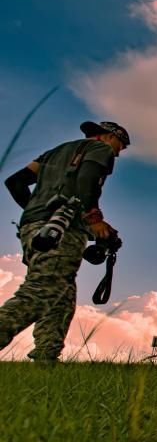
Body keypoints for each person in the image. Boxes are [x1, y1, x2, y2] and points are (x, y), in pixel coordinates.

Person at [0, 120, 130, 362]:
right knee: (43, 290)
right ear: (110, 137)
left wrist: (39, 212)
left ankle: (46, 359)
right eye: (119, 147)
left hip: (35, 228)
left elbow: (15, 182)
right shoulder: (100, 149)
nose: (117, 154)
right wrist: (94, 218)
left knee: (61, 296)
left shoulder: (54, 152)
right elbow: (87, 181)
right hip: (62, 231)